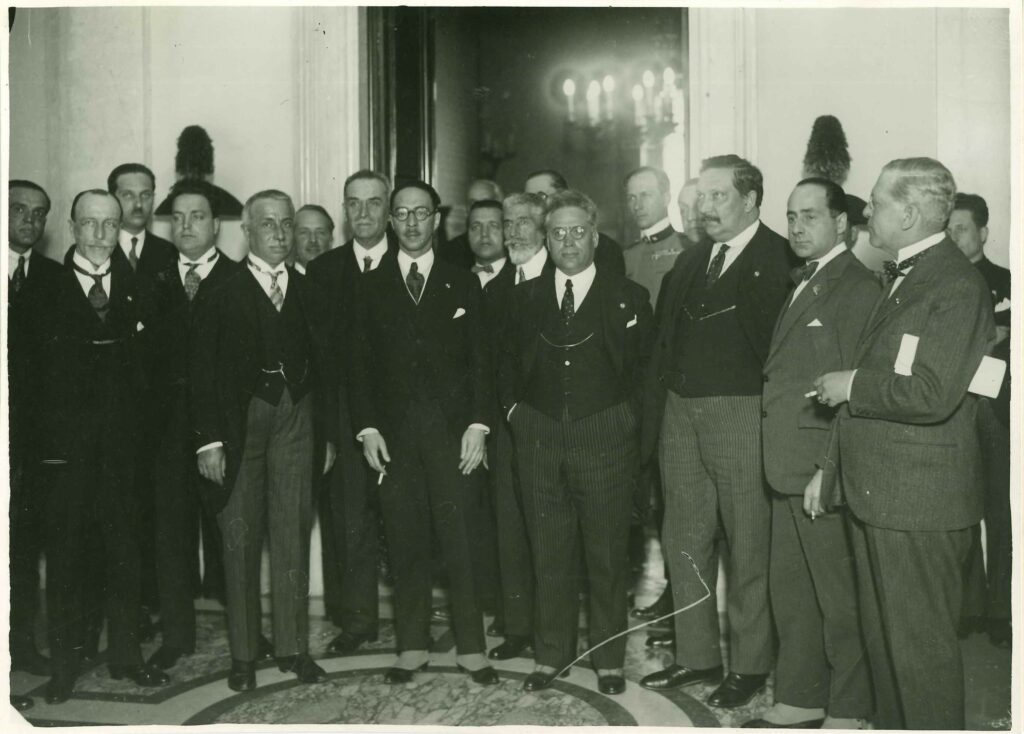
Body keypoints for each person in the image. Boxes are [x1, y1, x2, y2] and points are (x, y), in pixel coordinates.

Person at [814, 158, 995, 729]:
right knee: (888, 647)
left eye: (876, 203)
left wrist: (852, 386)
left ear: (910, 214)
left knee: (920, 655)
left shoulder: (954, 284)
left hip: (919, 504)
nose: (865, 213)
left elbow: (934, 392)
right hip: (885, 496)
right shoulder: (910, 275)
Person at [639, 154, 793, 708]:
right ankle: (696, 655)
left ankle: (750, 665)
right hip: (680, 414)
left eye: (718, 195)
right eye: (701, 196)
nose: (705, 206)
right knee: (683, 538)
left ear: (750, 199)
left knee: (749, 546)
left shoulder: (781, 257)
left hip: (741, 413)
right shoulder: (691, 260)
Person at [500, 189, 654, 695]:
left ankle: (608, 661)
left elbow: (644, 376)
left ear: (595, 235)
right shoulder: (521, 298)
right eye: (558, 233)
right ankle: (552, 655)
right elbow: (502, 366)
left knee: (607, 554)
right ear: (546, 238)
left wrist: (624, 420)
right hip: (538, 439)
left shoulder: (628, 297)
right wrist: (516, 414)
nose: (568, 242)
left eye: (578, 232)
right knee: (549, 552)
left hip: (605, 438)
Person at [348, 180, 496, 685]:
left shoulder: (463, 282)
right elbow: (359, 368)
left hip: (453, 439)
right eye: (402, 214)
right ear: (390, 220)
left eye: (422, 214)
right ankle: (411, 645)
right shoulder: (368, 286)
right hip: (394, 441)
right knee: (406, 540)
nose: (412, 223)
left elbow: (483, 363)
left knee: (462, 543)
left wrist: (478, 425)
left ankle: (472, 648)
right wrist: (366, 429)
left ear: (437, 220)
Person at [189, 189, 337, 691]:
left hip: (298, 419)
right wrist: (209, 441)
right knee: (240, 537)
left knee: (293, 532)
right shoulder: (220, 289)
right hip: (238, 426)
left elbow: (329, 370)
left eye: (285, 224)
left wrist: (330, 436)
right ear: (246, 231)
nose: (278, 233)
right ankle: (244, 656)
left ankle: (294, 649)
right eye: (267, 224)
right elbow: (201, 372)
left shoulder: (309, 287)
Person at [744, 178, 878, 729]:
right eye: (792, 217)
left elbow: (854, 391)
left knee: (839, 599)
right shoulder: (806, 281)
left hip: (818, 468)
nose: (797, 228)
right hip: (786, 465)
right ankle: (800, 699)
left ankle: (850, 710)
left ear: (842, 222)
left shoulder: (858, 287)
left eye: (811, 217)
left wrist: (830, 468)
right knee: (793, 594)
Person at [35, 189, 171, 704]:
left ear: (120, 230)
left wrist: (144, 441)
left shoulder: (142, 286)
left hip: (124, 452)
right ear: (71, 227)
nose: (98, 235)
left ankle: (126, 658)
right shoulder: (43, 288)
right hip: (65, 455)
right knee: (68, 558)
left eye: (108, 225)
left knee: (125, 554)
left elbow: (157, 372)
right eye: (88, 224)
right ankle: (65, 666)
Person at [145, 181, 242, 671]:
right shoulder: (154, 280)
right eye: (178, 217)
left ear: (216, 224)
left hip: (224, 439)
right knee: (171, 538)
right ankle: (177, 636)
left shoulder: (238, 280)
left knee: (230, 536)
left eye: (197, 216)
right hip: (167, 440)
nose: (186, 226)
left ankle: (245, 633)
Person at [306, 169, 397, 657]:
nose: (363, 213)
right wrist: (329, 432)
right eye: (354, 204)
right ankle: (359, 622)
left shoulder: (414, 265)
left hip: (405, 417)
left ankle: (415, 620)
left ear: (387, 209)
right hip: (343, 416)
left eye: (373, 203)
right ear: (344, 210)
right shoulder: (323, 273)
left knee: (407, 519)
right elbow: (317, 362)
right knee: (352, 520)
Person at [108, 161, 178, 634]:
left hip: (157, 412)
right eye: (128, 194)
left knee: (154, 512)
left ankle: (150, 608)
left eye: (146, 194)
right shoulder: (94, 249)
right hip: (110, 412)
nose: (137, 203)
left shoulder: (167, 255)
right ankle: (120, 610)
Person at [947, 192, 1012, 648]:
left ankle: (1003, 610)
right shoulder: (939, 282)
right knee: (960, 510)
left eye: (963, 229)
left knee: (1000, 512)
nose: (954, 237)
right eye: (948, 229)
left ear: (983, 233)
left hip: (996, 409)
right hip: (951, 410)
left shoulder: (1006, 281)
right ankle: (969, 606)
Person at [8, 181, 63, 695]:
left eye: (39, 213)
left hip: (29, 443)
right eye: (19, 210)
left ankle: (20, 641)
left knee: (23, 546)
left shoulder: (51, 279)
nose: (30, 220)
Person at [524, 169, 626, 276]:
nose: (533, 207)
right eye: (528, 200)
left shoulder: (604, 248)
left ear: (562, 195)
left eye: (541, 197)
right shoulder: (525, 250)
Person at [623, 166, 688, 308]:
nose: (637, 206)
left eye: (645, 195)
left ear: (666, 198)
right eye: (631, 198)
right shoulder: (628, 255)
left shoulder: (688, 248)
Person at [440, 178, 503, 269]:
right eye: (472, 203)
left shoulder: (513, 245)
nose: (478, 208)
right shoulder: (452, 249)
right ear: (466, 207)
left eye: (486, 202)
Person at [293, 204, 334, 274]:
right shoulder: (282, 281)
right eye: (304, 232)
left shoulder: (343, 281)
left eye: (320, 233)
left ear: (331, 239)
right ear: (293, 239)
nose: (313, 240)